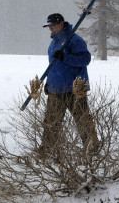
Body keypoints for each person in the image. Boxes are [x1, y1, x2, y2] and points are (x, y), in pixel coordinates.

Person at [38, 12, 99, 158]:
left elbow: (85, 59)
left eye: (52, 26)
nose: (51, 30)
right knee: (51, 122)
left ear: (60, 24)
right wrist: (49, 82)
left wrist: (66, 57)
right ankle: (47, 150)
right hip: (56, 89)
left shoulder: (74, 40)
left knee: (82, 120)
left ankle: (92, 149)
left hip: (74, 89)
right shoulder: (54, 42)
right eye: (49, 27)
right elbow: (54, 65)